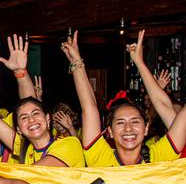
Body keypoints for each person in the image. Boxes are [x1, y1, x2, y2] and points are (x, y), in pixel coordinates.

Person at [70, 30, 185, 166]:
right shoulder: (101, 158)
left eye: (135, 121)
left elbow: (166, 107)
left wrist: (139, 62)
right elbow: (88, 107)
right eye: (120, 123)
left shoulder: (159, 156)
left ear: (146, 129)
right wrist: (76, 62)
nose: (128, 128)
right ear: (110, 131)